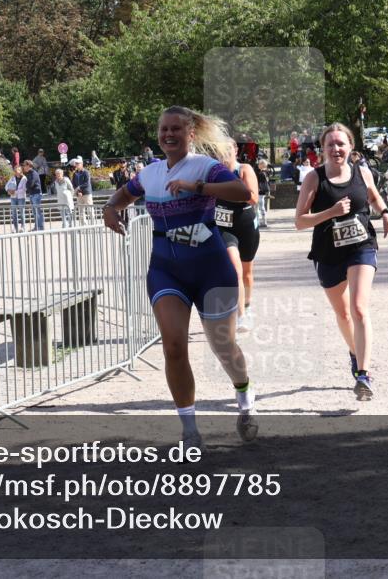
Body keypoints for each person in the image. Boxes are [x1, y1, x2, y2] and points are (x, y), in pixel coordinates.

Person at [101, 105, 258, 447]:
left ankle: (244, 395)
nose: (168, 135)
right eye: (163, 130)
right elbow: (125, 194)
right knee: (174, 346)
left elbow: (242, 194)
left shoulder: (206, 167)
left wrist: (199, 187)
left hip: (211, 268)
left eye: (176, 129)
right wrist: (110, 209)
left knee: (223, 346)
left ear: (190, 134)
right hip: (166, 270)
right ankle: (189, 430)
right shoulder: (150, 173)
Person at [294, 123, 388, 400]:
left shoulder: (362, 172)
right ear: (323, 148)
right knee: (342, 314)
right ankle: (355, 353)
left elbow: (375, 198)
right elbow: (300, 221)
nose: (336, 149)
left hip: (361, 246)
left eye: (341, 144)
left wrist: (386, 213)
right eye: (331, 144)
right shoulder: (314, 179)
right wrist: (330, 212)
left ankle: (363, 374)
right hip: (328, 252)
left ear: (351, 146)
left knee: (359, 308)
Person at [215, 142, 262, 332]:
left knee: (247, 272)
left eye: (228, 149)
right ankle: (241, 315)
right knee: (235, 270)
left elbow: (253, 197)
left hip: (245, 224)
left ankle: (248, 305)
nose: (224, 153)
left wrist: (226, 189)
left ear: (235, 151)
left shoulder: (244, 169)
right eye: (220, 150)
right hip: (224, 226)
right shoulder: (213, 172)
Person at [21, 160, 44, 231]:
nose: (23, 167)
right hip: (32, 194)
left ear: (28, 166)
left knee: (37, 211)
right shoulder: (28, 174)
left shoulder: (34, 173)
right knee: (34, 212)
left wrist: (25, 184)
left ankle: (40, 227)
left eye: (24, 165)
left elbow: (30, 184)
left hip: (36, 194)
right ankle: (37, 227)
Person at [71, 157, 93, 223]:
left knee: (90, 210)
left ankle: (93, 224)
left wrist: (79, 188)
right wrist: (78, 191)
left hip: (87, 193)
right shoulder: (75, 173)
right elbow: (74, 184)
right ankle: (83, 225)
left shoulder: (86, 172)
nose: (77, 165)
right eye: (76, 163)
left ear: (82, 164)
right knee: (81, 210)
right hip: (79, 194)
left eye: (78, 163)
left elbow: (87, 183)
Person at [5, 166, 27, 232]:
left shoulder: (24, 178)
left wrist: (15, 192)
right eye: (15, 170)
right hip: (13, 197)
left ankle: (23, 227)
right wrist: (8, 190)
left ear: (20, 170)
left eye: (17, 170)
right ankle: (15, 228)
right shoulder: (12, 178)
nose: (16, 171)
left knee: (21, 212)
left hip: (21, 197)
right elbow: (6, 186)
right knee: (14, 213)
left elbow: (24, 189)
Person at [255, 159, 271, 228]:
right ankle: (260, 221)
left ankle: (262, 221)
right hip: (261, 191)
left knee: (259, 207)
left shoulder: (262, 172)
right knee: (259, 207)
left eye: (259, 164)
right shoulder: (266, 172)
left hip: (259, 191)